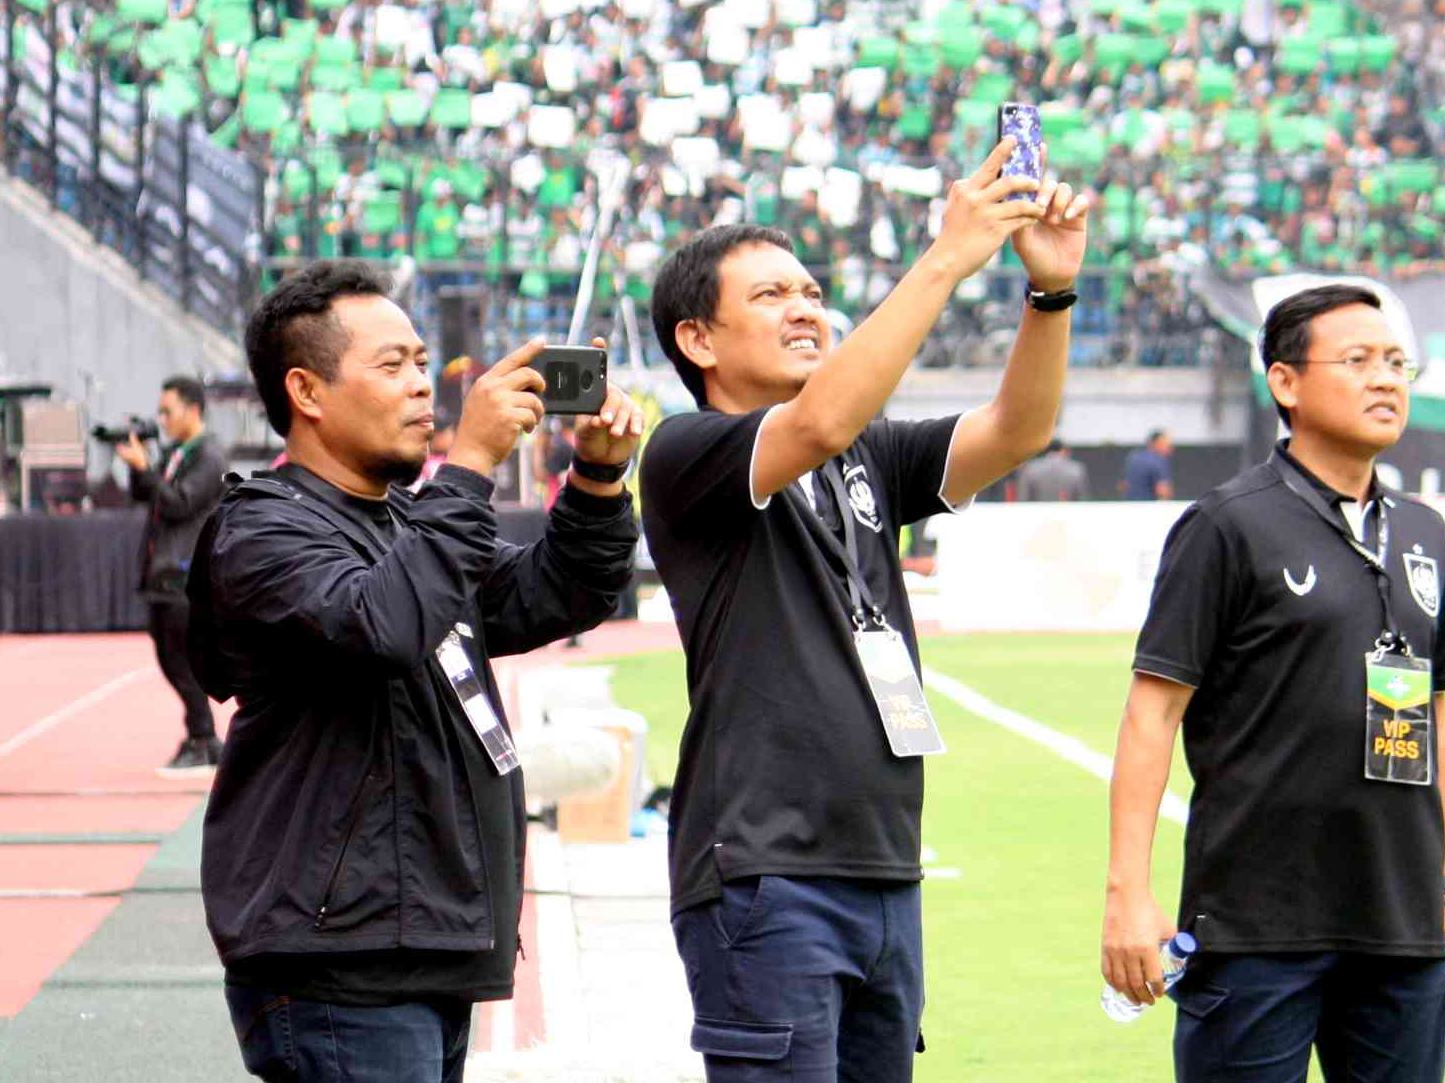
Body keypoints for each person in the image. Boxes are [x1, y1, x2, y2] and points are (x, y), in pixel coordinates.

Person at [641, 139, 1091, 1081]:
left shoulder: (865, 457)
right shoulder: (690, 451)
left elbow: (1018, 430)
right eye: (770, 296)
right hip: (766, 873)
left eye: (810, 291)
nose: (805, 307)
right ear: (698, 339)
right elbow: (816, 423)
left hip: (883, 865)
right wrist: (945, 257)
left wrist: (1049, 297)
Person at [187, 260, 643, 1083]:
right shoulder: (257, 529)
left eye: (424, 362)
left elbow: (548, 594)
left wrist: (598, 479)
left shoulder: (408, 520)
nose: (423, 388)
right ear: (308, 391)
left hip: (420, 938)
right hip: (340, 959)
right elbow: (380, 624)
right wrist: (466, 465)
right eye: (391, 365)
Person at [1101, 284, 1445, 1081]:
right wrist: (1127, 895)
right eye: (1359, 361)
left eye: (1397, 363)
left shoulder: (1423, 533)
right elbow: (1151, 713)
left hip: (1403, 932)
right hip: (1254, 931)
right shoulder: (1225, 525)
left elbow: (1433, 722)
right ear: (1285, 382)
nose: (1386, 379)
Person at [115, 376, 227, 773]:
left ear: (193, 410)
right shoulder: (178, 452)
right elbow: (147, 494)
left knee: (181, 661)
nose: (161, 419)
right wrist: (138, 466)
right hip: (162, 573)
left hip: (184, 574)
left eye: (168, 411)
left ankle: (203, 738)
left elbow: (179, 504)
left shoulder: (209, 456)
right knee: (168, 659)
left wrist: (147, 469)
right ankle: (203, 738)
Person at [1014, 439, 1090, 501]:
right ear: (1063, 450)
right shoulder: (1076, 469)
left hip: (1039, 514)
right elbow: (1082, 496)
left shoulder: (1031, 468)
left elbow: (1024, 497)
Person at [1121, 428, 1174, 500]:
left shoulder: (1133, 458)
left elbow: (1123, 485)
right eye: (1166, 445)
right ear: (1155, 444)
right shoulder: (1158, 461)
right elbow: (1162, 490)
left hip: (1131, 506)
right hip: (1149, 507)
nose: (1170, 449)